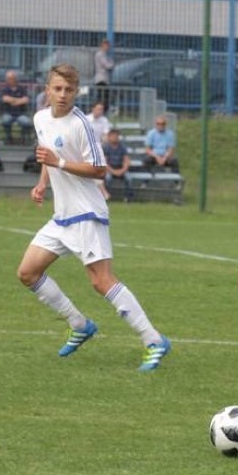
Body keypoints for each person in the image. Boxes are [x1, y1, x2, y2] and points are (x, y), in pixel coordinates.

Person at [15, 63, 170, 371]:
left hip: (86, 213)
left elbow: (99, 169)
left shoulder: (81, 124)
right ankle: (80, 324)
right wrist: (43, 182)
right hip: (62, 217)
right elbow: (47, 153)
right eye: (57, 89)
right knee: (28, 272)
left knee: (101, 281)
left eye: (69, 90)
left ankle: (154, 340)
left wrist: (59, 162)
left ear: (76, 93)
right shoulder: (40, 118)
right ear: (47, 90)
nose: (62, 95)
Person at [0, 70, 33, 144]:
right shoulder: (4, 89)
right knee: (5, 120)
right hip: (8, 113)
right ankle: (9, 139)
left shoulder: (22, 89)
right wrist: (19, 100)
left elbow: (26, 100)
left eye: (11, 78)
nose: (9, 80)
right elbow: (5, 99)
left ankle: (23, 140)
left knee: (26, 122)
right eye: (8, 78)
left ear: (15, 78)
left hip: (20, 114)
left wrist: (12, 101)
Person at [102, 128, 133, 202]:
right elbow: (105, 163)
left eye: (117, 135)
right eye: (113, 135)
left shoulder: (122, 147)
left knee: (129, 178)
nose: (115, 137)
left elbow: (127, 161)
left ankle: (128, 198)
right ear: (109, 137)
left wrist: (122, 170)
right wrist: (113, 171)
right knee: (107, 178)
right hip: (110, 169)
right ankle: (106, 197)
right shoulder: (106, 147)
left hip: (121, 168)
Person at [94, 39, 114, 109]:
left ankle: (102, 110)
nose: (107, 48)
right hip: (101, 79)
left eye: (108, 46)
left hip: (104, 79)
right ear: (102, 45)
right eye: (106, 46)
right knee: (103, 96)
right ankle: (101, 110)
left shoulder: (104, 55)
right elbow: (106, 65)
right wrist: (112, 64)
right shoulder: (100, 54)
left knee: (104, 96)